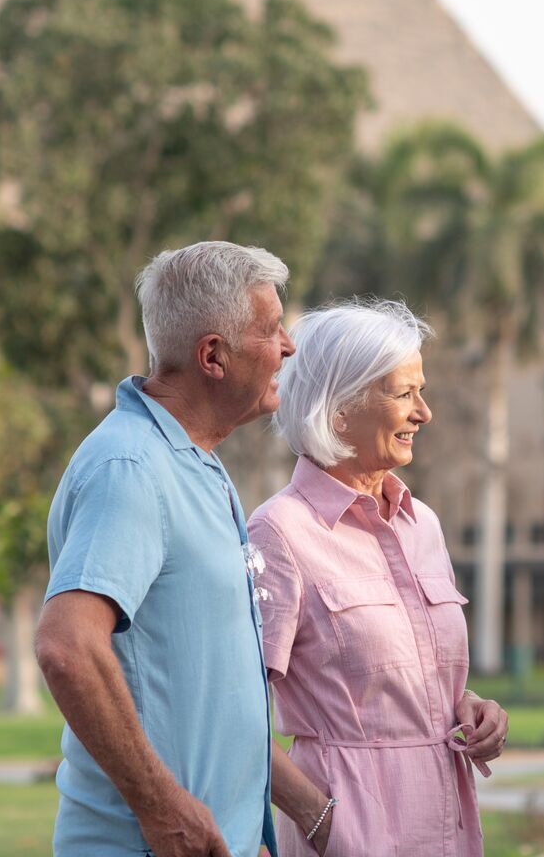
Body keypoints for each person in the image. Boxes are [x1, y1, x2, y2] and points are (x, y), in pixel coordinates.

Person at [35, 241, 327, 857]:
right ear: (213, 356)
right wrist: (164, 810)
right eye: (272, 329)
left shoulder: (194, 463)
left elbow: (209, 695)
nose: (289, 346)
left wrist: (313, 818)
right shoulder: (132, 467)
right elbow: (68, 646)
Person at [246, 298, 509, 857]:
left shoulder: (425, 525)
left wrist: (471, 709)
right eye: (404, 393)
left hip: (449, 833)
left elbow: (408, 681)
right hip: (349, 836)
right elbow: (233, 713)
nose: (424, 412)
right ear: (339, 409)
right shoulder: (279, 531)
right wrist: (324, 824)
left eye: (422, 391)